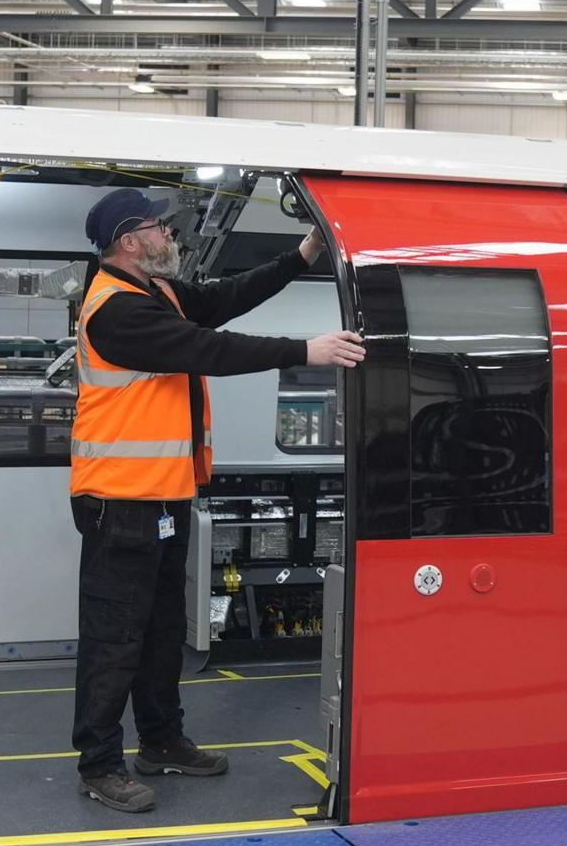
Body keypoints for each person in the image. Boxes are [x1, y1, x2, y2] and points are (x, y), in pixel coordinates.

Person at [67, 188, 364, 813]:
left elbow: (224, 301)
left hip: (165, 500)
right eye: (161, 228)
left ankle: (162, 741)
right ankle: (98, 765)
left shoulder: (159, 292)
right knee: (114, 639)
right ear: (129, 240)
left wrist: (301, 255)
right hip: (120, 503)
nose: (171, 236)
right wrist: (303, 351)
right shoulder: (115, 311)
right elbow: (209, 350)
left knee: (161, 633)